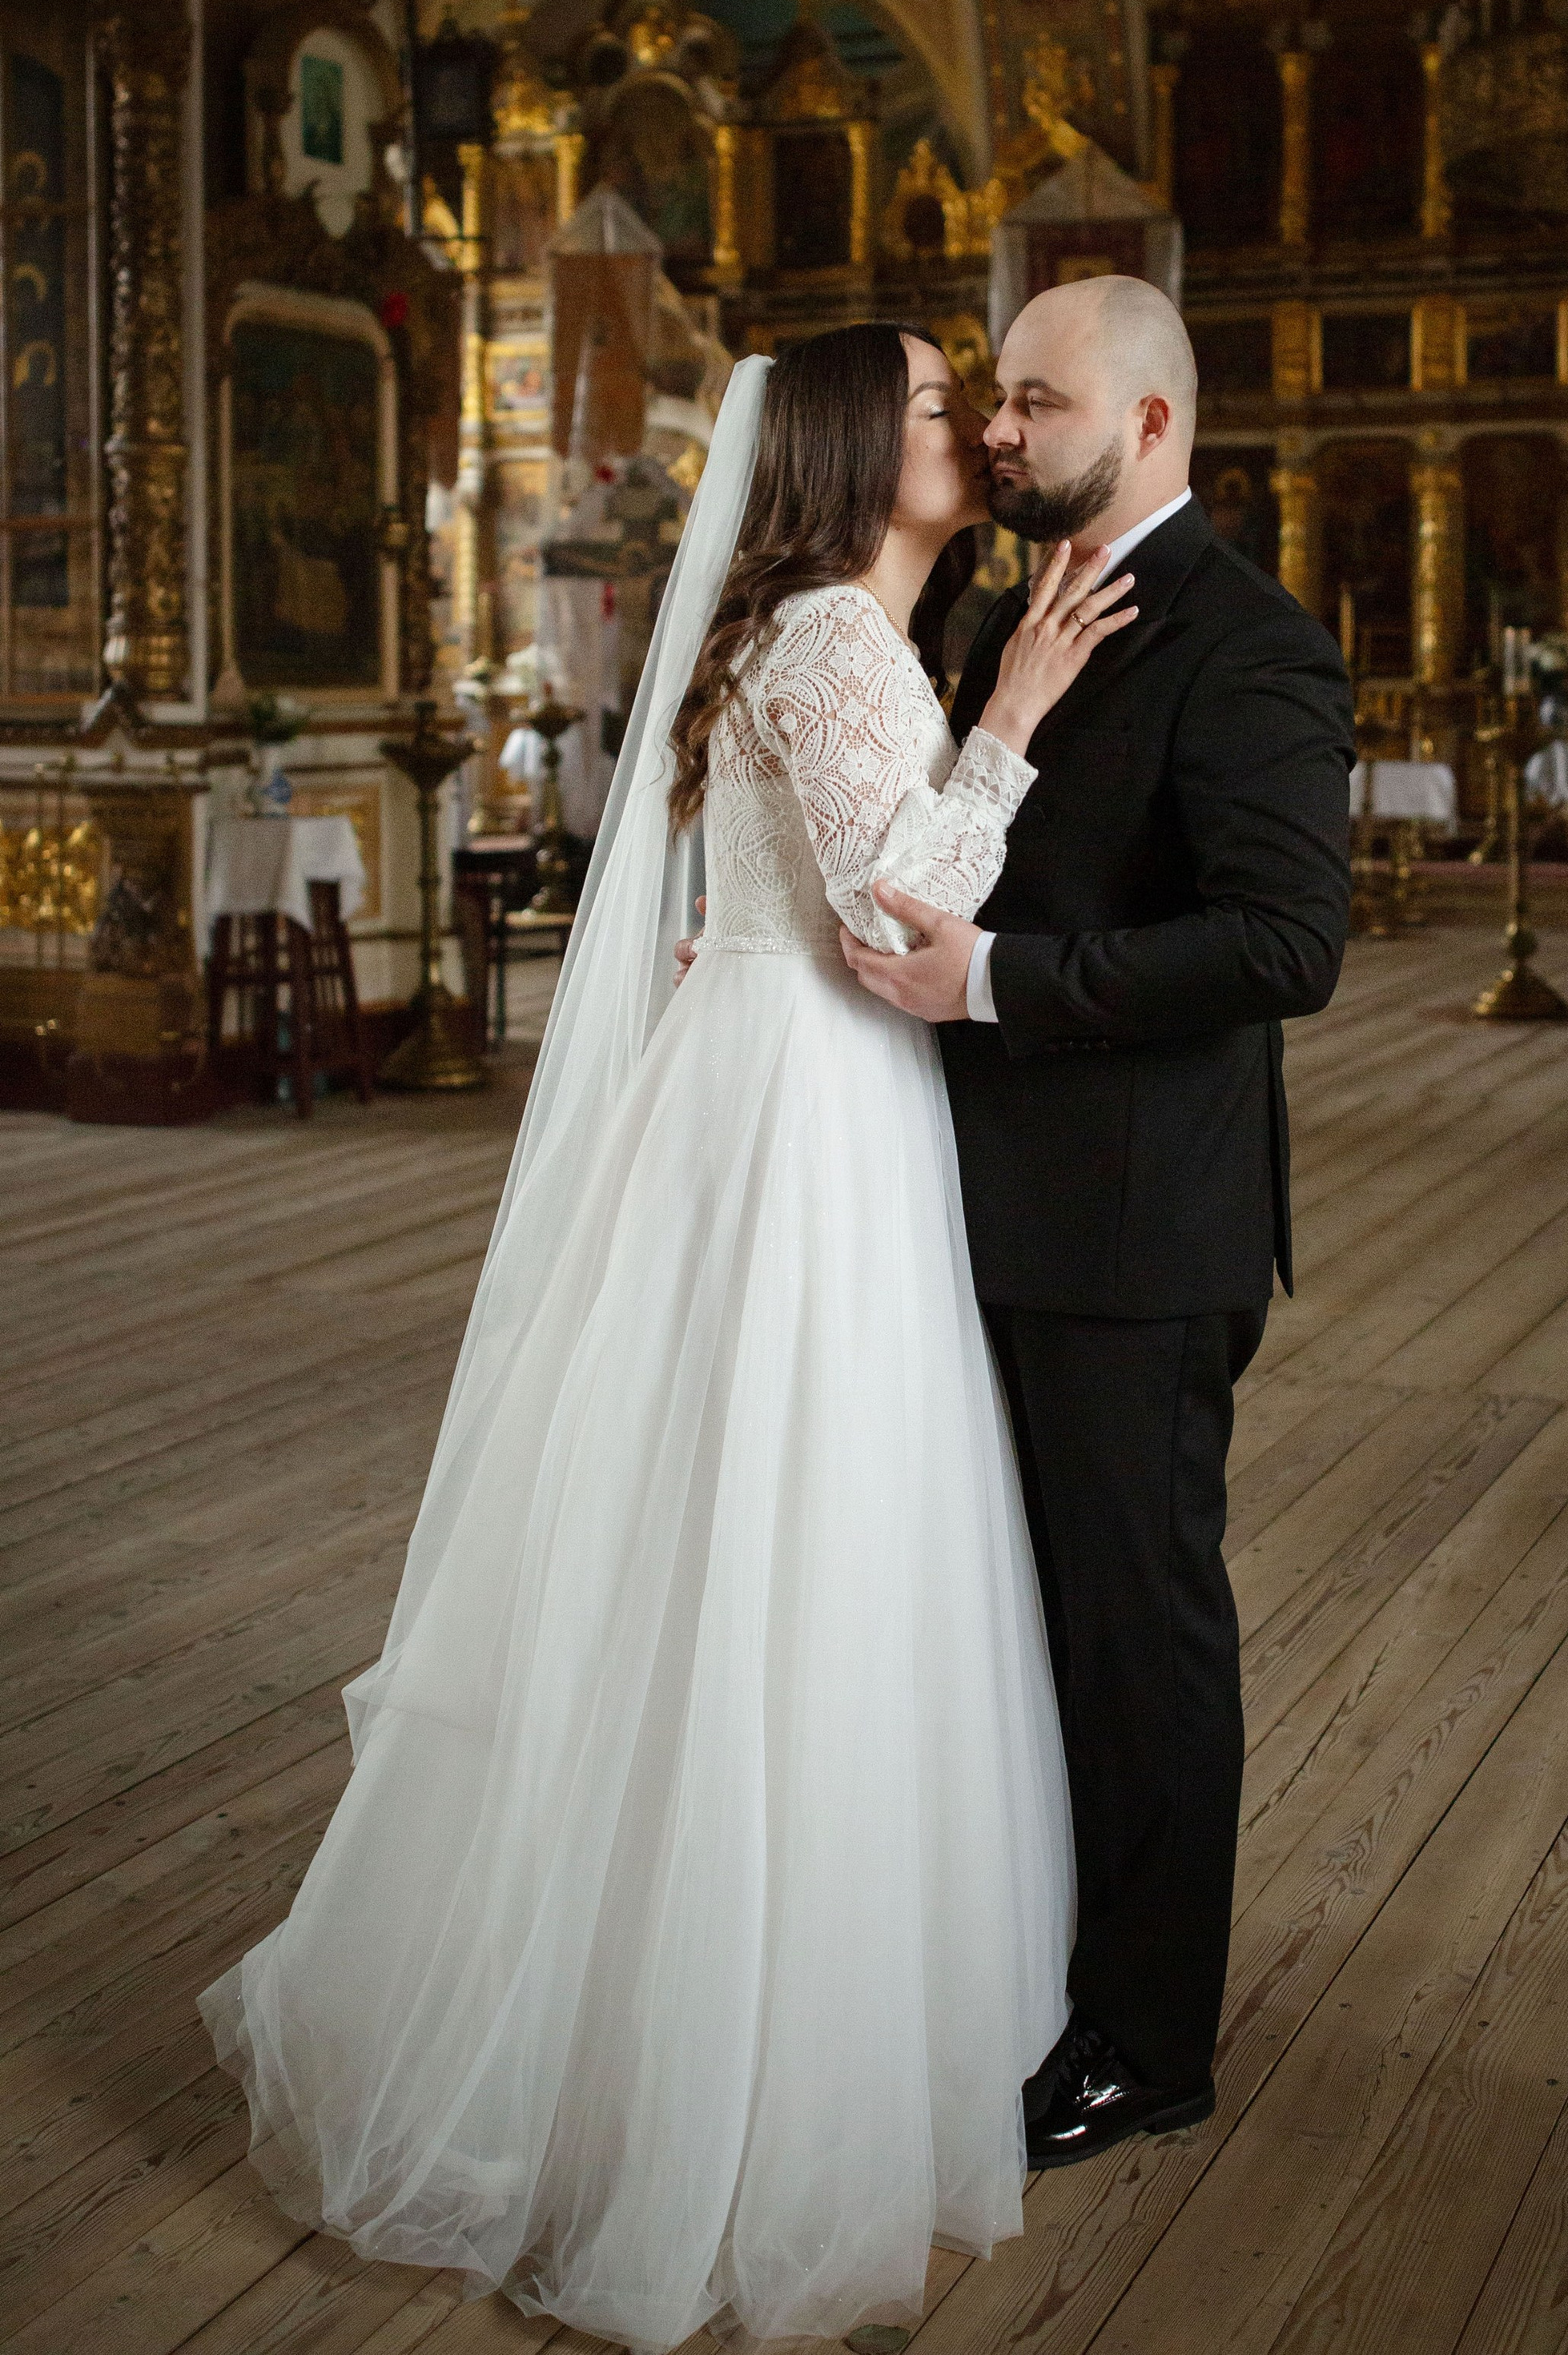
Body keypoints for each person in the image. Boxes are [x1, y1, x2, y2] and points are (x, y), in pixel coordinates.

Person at [200, 326, 1137, 2355]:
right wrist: (1018, 721)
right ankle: (702, 2074)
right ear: (830, 447)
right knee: (779, 1536)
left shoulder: (823, 633)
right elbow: (901, 912)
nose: (960, 424)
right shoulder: (824, 638)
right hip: (800, 1115)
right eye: (917, 404)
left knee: (788, 1530)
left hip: (798, 1097)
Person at [842, 275, 1355, 2168]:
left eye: (1033, 402)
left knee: (1136, 1636)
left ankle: (1145, 2038)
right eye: (988, 397)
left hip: (1137, 1232)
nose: (995, 429)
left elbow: (1284, 940)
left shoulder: (1250, 643)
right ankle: (1033, 1968)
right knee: (1019, 1620)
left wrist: (996, 981)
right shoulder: (995, 606)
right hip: (967, 1209)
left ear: (1147, 425)